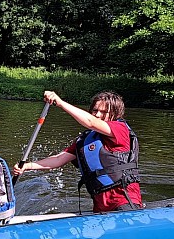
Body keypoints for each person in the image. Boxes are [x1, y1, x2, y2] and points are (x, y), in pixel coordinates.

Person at [12, 90, 142, 212]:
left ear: (115, 113)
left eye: (103, 112)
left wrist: (60, 102)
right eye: (95, 110)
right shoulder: (85, 140)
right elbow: (58, 159)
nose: (97, 114)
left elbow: (91, 122)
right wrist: (27, 166)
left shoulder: (120, 129)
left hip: (124, 201)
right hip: (100, 205)